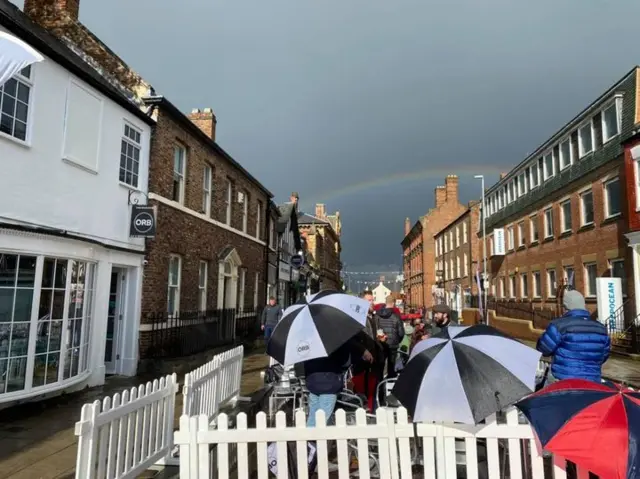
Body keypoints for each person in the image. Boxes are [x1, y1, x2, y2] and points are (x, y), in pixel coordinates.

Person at [537, 290, 610, 384]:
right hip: (592, 383)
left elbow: (543, 349)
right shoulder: (601, 329)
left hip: (563, 381)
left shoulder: (559, 326)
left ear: (565, 307)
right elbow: (603, 356)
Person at [350, 290, 385, 411]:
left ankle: (372, 410)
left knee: (373, 388)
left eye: (372, 300)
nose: (372, 302)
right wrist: (363, 351)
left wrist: (381, 339)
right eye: (369, 300)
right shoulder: (357, 318)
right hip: (361, 361)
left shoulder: (374, 317)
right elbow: (352, 339)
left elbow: (375, 336)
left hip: (375, 359)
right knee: (362, 391)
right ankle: (364, 409)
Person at [377, 297, 405, 378]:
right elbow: (401, 333)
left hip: (381, 344)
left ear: (386, 303)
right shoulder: (396, 316)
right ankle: (390, 385)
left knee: (380, 368)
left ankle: (380, 388)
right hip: (393, 345)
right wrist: (397, 341)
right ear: (393, 303)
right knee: (391, 367)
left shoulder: (377, 315)